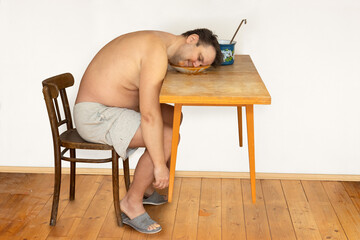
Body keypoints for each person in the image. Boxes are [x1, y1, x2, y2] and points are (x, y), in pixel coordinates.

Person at [73, 28, 222, 234]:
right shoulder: (156, 52)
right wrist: (161, 165)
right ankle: (131, 202)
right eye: (198, 58)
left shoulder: (158, 41)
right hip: (96, 116)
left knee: (173, 117)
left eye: (201, 65)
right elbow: (149, 115)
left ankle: (147, 188)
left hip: (112, 107)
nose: (195, 65)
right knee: (168, 136)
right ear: (192, 39)